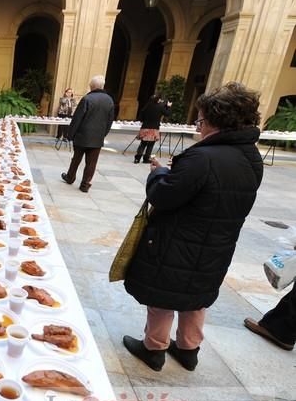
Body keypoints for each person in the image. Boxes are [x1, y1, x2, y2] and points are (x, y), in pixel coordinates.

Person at [122, 82, 264, 372]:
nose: (198, 128)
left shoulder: (202, 158)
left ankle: (154, 348)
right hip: (218, 245)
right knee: (195, 297)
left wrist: (159, 173)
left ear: (216, 119)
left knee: (164, 293)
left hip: (178, 241)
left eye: (200, 121)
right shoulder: (251, 158)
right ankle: (188, 349)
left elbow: (163, 195)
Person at [61, 75, 115, 193]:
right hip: (97, 137)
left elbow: (77, 118)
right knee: (92, 162)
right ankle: (85, 185)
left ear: (91, 86)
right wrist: (103, 134)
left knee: (76, 159)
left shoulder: (87, 99)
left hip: (82, 135)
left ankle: (70, 177)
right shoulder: (109, 100)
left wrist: (70, 135)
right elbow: (110, 121)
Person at [134, 95, 172, 164]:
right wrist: (168, 107)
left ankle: (137, 158)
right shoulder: (160, 107)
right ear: (158, 100)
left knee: (143, 143)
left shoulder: (147, 106)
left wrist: (143, 120)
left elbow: (141, 114)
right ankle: (146, 159)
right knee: (150, 144)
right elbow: (167, 113)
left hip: (145, 127)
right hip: (154, 128)